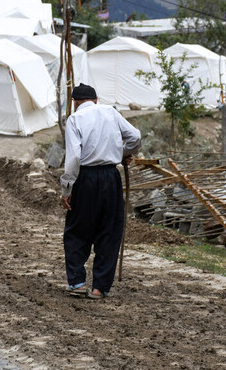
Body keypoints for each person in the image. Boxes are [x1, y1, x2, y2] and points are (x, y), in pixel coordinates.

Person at [60, 83, 141, 299]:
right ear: (96, 100)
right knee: (109, 231)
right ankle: (99, 288)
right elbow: (136, 137)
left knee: (77, 231)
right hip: (111, 177)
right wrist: (123, 153)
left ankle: (77, 282)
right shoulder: (110, 112)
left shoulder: (74, 119)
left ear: (75, 103)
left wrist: (67, 188)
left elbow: (74, 158)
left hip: (85, 178)